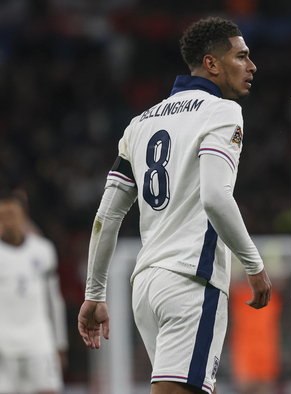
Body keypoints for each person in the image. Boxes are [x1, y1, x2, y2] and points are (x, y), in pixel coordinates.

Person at [77, 17, 272, 394]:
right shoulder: (222, 112)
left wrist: (94, 293)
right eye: (242, 56)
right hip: (190, 282)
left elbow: (107, 216)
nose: (252, 66)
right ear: (212, 64)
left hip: (146, 287)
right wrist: (254, 265)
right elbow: (215, 197)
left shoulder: (139, 124)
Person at [0, 194, 69, 394]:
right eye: (4, 217)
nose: (10, 222)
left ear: (23, 218)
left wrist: (60, 343)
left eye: (13, 216)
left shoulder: (43, 250)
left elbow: (54, 300)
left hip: (39, 341)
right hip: (4, 345)